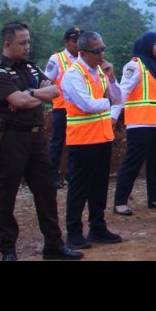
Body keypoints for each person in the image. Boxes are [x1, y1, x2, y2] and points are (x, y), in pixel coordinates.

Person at [0, 21, 83, 261]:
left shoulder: (31, 68)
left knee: (46, 191)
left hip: (36, 137)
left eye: (28, 42)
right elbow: (18, 101)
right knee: (7, 194)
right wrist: (33, 96)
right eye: (22, 43)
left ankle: (54, 245)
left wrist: (29, 94)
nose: (27, 46)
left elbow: (54, 92)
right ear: (7, 44)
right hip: (11, 138)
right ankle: (8, 249)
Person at [60, 30, 123, 249]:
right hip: (82, 139)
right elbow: (86, 104)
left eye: (103, 49)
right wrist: (108, 102)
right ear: (83, 52)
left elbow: (119, 98)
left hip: (102, 136)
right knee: (79, 187)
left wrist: (112, 79)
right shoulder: (73, 74)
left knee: (99, 185)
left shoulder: (101, 72)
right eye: (97, 51)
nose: (102, 54)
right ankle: (74, 232)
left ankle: (98, 227)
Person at [112, 31, 156, 215]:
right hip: (141, 124)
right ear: (147, 45)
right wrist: (113, 116)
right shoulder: (135, 65)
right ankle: (120, 202)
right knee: (132, 163)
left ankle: (154, 197)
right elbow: (122, 92)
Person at [43, 27, 82, 188]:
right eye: (74, 41)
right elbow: (46, 80)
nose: (77, 44)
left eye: (79, 41)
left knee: (77, 143)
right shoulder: (57, 59)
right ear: (66, 42)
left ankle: (72, 175)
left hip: (79, 109)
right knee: (57, 142)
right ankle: (52, 176)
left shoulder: (84, 58)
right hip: (61, 108)